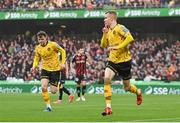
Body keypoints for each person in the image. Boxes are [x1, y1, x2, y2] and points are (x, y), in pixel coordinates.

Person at [100, 11, 142, 116]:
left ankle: (138, 92)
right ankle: (108, 107)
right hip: (112, 60)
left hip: (124, 62)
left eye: (106, 18)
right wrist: (104, 34)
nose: (104, 20)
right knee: (106, 80)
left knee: (127, 88)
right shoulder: (108, 30)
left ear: (111, 19)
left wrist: (118, 47)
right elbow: (103, 45)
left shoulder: (120, 27)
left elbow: (130, 38)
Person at [32, 31, 66, 112]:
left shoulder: (53, 44)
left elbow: (63, 51)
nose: (40, 41)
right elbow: (36, 58)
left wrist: (62, 63)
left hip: (55, 70)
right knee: (43, 87)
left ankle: (56, 85)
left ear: (46, 38)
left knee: (54, 91)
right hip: (45, 69)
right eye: (39, 39)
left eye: (42, 39)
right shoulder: (38, 48)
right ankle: (48, 106)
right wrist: (34, 66)